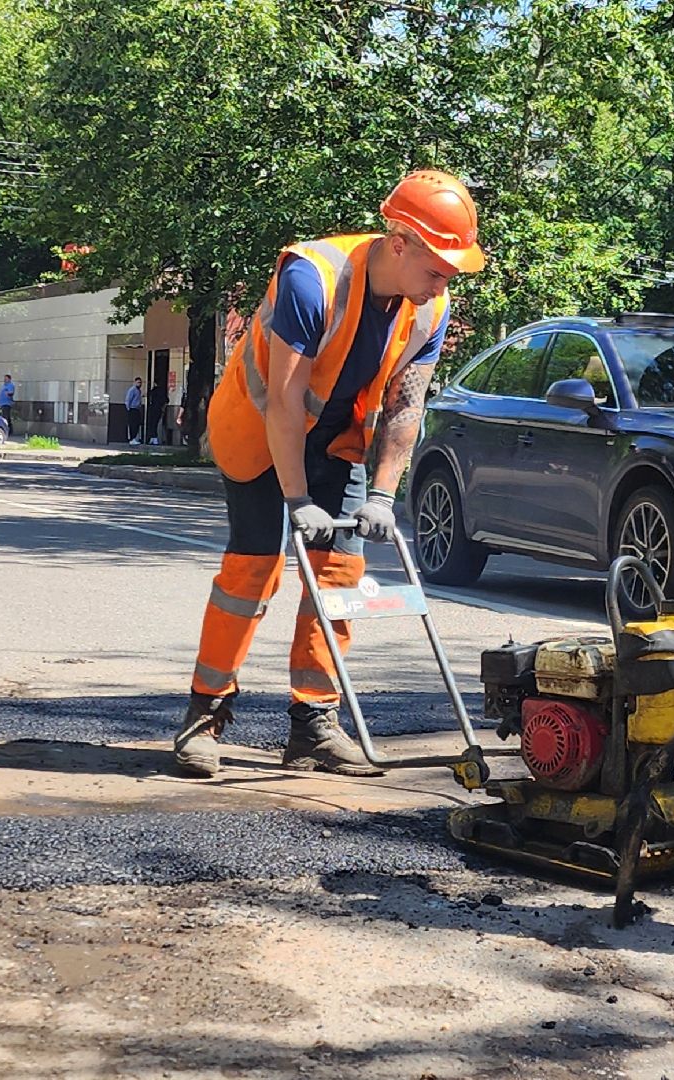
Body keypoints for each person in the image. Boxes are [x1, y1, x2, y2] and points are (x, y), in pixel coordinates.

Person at [173, 169, 483, 779]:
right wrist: (297, 499)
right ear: (400, 242)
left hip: (338, 439)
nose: (444, 282)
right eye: (436, 266)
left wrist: (385, 495)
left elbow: (405, 404)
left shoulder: (430, 305)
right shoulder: (310, 277)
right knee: (252, 569)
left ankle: (314, 723)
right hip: (262, 429)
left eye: (452, 270)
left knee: (341, 573)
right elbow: (285, 400)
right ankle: (203, 717)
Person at [147, 379, 168, 445]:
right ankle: (153, 438)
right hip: (159, 409)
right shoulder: (162, 391)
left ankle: (153, 438)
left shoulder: (153, 391)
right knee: (155, 423)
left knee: (152, 424)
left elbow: (148, 395)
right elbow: (166, 400)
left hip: (153, 409)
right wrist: (163, 408)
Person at [124, 377, 145, 445]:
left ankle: (135, 438)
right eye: (138, 382)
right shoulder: (132, 390)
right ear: (135, 382)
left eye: (140, 382)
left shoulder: (139, 390)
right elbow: (128, 399)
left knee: (136, 424)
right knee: (133, 424)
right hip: (132, 409)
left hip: (137, 409)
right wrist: (128, 409)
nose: (140, 384)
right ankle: (132, 438)